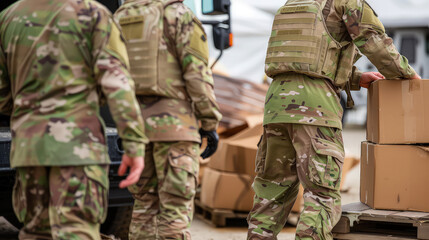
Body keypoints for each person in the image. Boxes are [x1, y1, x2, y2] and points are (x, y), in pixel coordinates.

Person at [247, 0, 420, 239]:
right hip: (314, 107)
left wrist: (356, 78)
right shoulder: (347, 2)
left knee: (270, 191)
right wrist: (410, 77)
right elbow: (375, 43)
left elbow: (305, 61)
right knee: (321, 194)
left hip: (276, 104)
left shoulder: (292, 4)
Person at [0, 0, 148, 239]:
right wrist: (134, 142)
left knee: (37, 232)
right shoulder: (92, 13)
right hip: (78, 148)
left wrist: (29, 111)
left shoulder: (8, 16)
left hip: (28, 150)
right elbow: (117, 85)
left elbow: (3, 94)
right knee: (77, 231)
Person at [114, 0, 222, 239]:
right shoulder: (177, 14)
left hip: (134, 127)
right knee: (174, 209)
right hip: (175, 127)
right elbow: (197, 74)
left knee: (143, 205)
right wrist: (209, 122)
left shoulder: (120, 17)